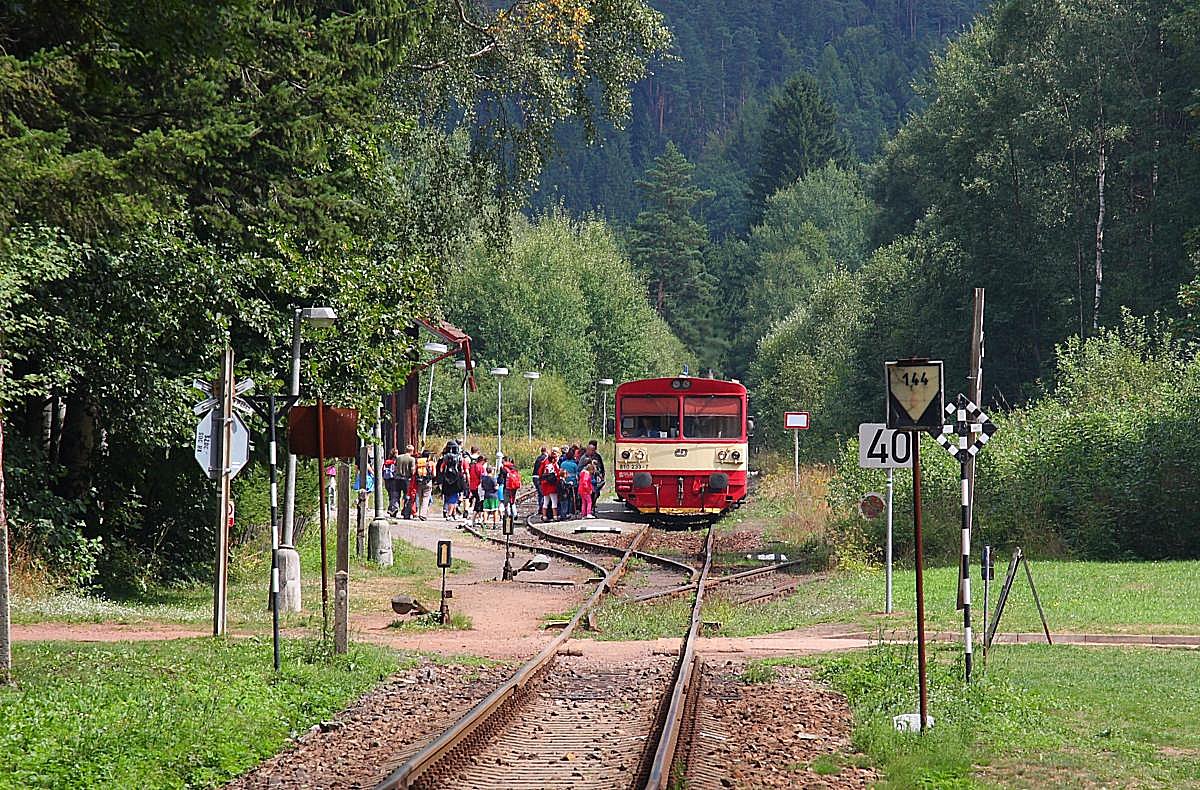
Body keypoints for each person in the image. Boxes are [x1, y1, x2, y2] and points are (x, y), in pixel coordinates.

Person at [579, 440, 606, 511]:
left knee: (595, 495)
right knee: (588, 497)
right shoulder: (583, 458)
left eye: (594, 450)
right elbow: (579, 469)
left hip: (594, 480)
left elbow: (601, 467)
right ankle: (587, 511)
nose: (594, 452)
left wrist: (601, 474)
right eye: (592, 450)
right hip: (586, 481)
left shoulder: (597, 456)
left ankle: (591, 509)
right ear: (588, 450)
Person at [539, 448, 560, 520]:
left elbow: (540, 472)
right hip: (552, 485)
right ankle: (555, 516)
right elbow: (558, 474)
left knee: (545, 501)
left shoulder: (545, 463)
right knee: (554, 501)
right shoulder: (555, 465)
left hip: (545, 484)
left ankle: (544, 516)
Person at [396, 444, 416, 518]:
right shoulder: (412, 459)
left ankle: (393, 510)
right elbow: (412, 470)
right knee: (407, 495)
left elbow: (395, 467)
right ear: (412, 451)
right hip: (407, 479)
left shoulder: (398, 457)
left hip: (397, 478)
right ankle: (406, 512)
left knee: (396, 495)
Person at [414, 447, 434, 520]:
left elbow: (413, 471)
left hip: (419, 481)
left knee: (419, 497)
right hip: (428, 482)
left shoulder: (418, 462)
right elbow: (434, 474)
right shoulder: (431, 463)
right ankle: (423, 514)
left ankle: (418, 513)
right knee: (426, 498)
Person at [559, 450, 579, 519]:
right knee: (572, 498)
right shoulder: (574, 465)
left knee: (565, 498)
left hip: (564, 482)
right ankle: (570, 511)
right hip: (573, 483)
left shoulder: (563, 464)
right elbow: (577, 474)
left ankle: (564, 512)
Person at [480, 464, 500, 528]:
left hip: (486, 495)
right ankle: (495, 524)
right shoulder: (493, 479)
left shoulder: (484, 479)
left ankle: (485, 523)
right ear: (492, 471)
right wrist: (498, 486)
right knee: (495, 510)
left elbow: (482, 487)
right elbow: (496, 487)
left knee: (485, 510)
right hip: (493, 496)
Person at [532, 445, 549, 514]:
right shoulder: (546, 459)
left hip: (534, 476)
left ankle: (540, 508)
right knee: (542, 494)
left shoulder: (538, 458)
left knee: (540, 494)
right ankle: (541, 509)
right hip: (540, 477)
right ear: (546, 451)